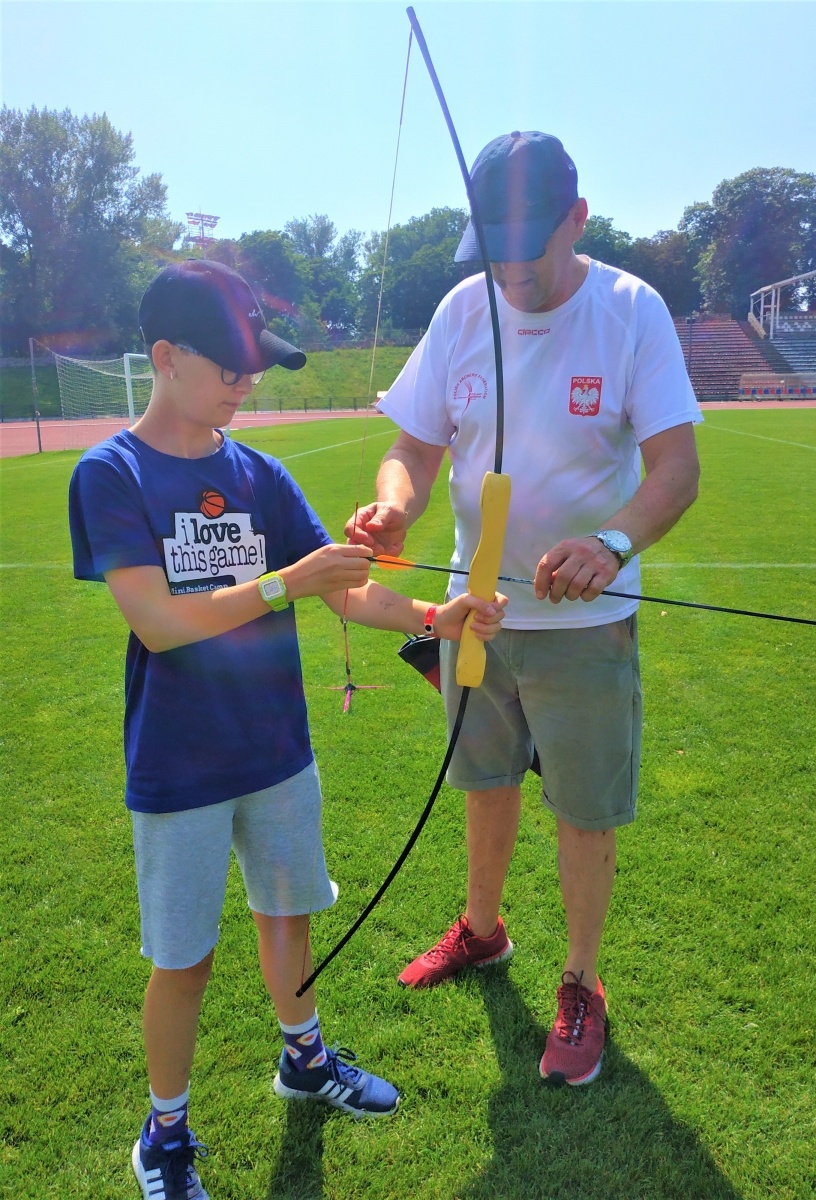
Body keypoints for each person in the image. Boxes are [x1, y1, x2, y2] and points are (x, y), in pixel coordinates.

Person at [68, 260, 505, 1200]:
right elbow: (158, 621)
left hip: (275, 755)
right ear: (165, 358)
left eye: (254, 365)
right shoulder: (111, 474)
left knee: (287, 916)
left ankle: (303, 1059)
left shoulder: (257, 473)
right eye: (228, 364)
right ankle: (166, 1133)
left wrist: (437, 616)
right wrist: (280, 584)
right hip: (177, 765)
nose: (245, 380)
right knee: (182, 960)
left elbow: (346, 582)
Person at [346, 131, 702, 1088]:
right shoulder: (463, 309)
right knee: (485, 781)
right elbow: (414, 448)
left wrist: (610, 544)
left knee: (584, 810)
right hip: (473, 616)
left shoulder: (633, 310)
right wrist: (396, 503)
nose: (511, 274)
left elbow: (676, 468)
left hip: (583, 627)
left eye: (529, 251)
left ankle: (581, 983)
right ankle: (481, 928)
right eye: (494, 252)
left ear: (577, 220)